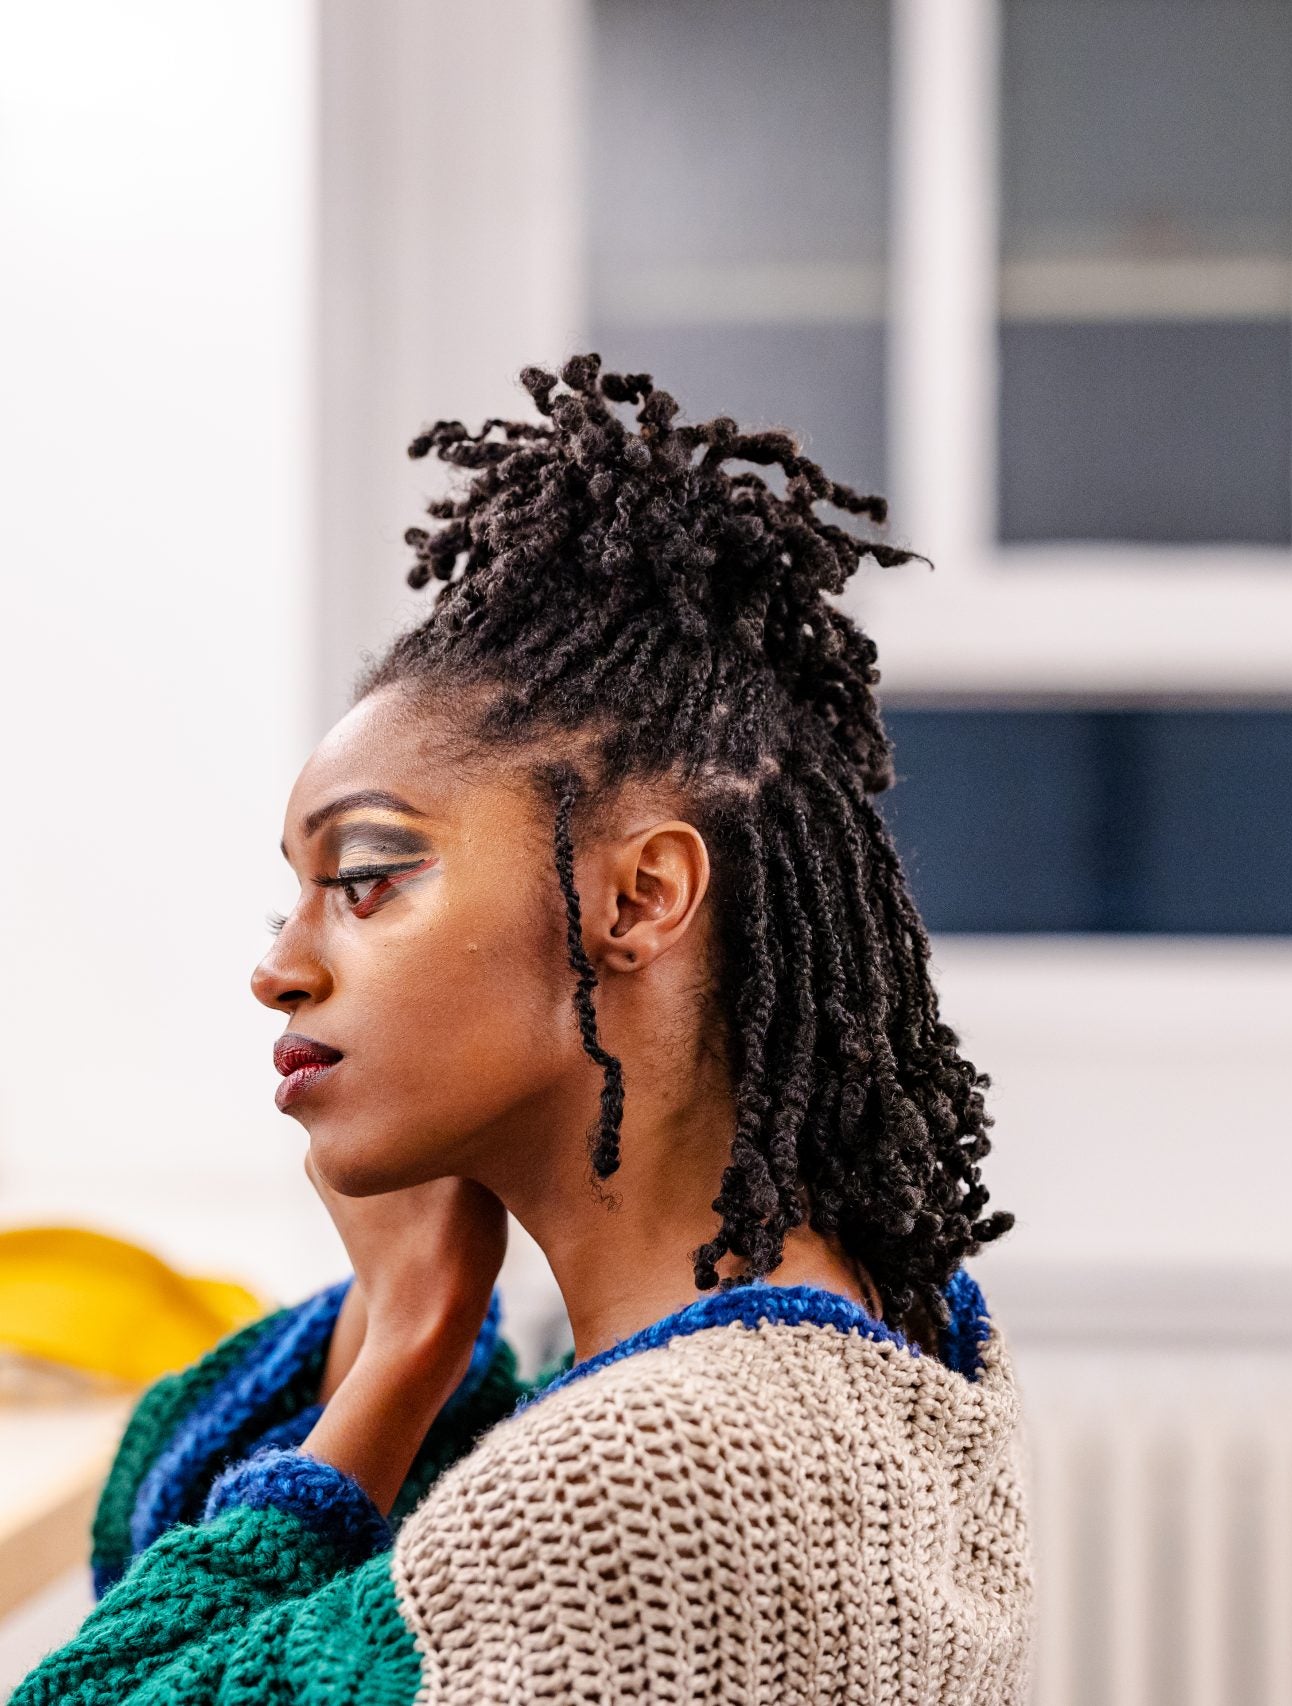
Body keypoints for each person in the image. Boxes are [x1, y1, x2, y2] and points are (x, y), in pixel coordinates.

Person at [13, 357, 1028, 1706]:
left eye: (366, 878)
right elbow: (163, 1537)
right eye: (292, 895)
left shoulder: (671, 1469)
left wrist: (402, 1351)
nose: (279, 967)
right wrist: (401, 1320)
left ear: (638, 896)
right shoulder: (847, 1344)